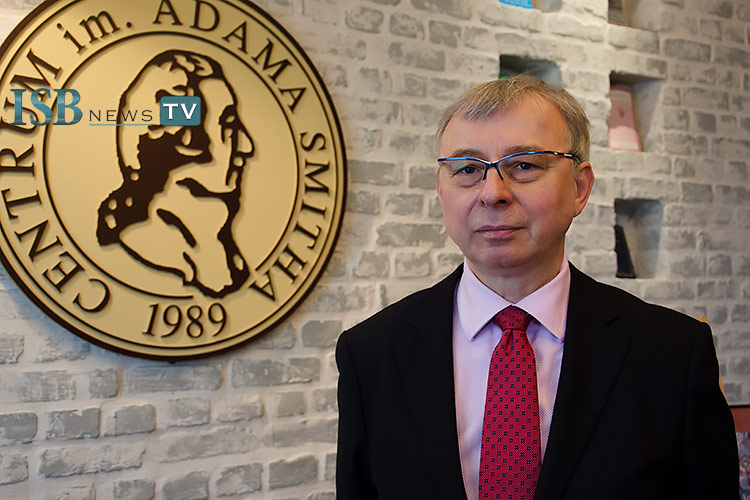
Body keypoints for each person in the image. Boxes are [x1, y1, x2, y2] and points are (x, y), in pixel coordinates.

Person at [335, 75, 739, 499]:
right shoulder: (371, 354)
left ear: (580, 188)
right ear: (441, 191)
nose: (492, 193)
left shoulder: (674, 354)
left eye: (524, 165)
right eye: (468, 169)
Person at [97, 50, 254, 298]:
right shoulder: (139, 246)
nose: (247, 146)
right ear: (185, 143)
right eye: (228, 125)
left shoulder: (217, 254)